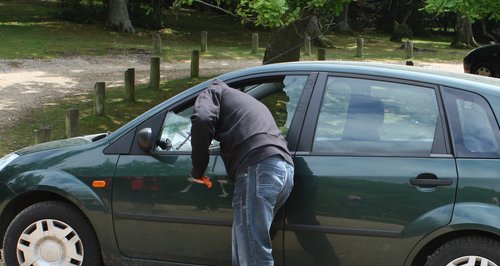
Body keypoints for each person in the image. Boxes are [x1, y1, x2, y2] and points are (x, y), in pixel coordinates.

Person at [190, 79, 295, 266]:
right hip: (284, 169)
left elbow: (202, 120)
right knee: (244, 246)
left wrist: (198, 168)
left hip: (259, 168)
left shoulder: (213, 91)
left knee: (253, 254)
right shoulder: (249, 101)